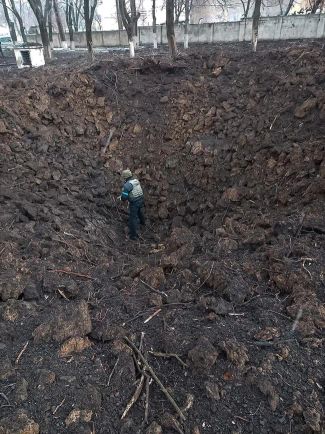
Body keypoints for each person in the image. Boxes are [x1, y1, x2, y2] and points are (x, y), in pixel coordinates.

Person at [120, 169, 145, 240]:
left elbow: (124, 197)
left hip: (135, 202)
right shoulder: (135, 180)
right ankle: (143, 223)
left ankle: (133, 236)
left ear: (125, 177)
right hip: (141, 198)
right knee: (140, 211)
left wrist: (121, 198)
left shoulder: (127, 185)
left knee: (133, 218)